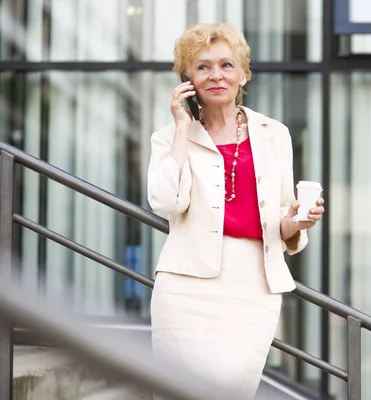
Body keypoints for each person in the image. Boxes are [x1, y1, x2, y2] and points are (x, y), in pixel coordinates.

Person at [146, 22, 325, 399]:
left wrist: (297, 219)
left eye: (226, 65)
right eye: (202, 67)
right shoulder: (167, 137)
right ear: (187, 79)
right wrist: (182, 127)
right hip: (184, 285)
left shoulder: (274, 133)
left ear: (243, 73)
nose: (216, 75)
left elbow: (279, 216)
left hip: (252, 286)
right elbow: (167, 201)